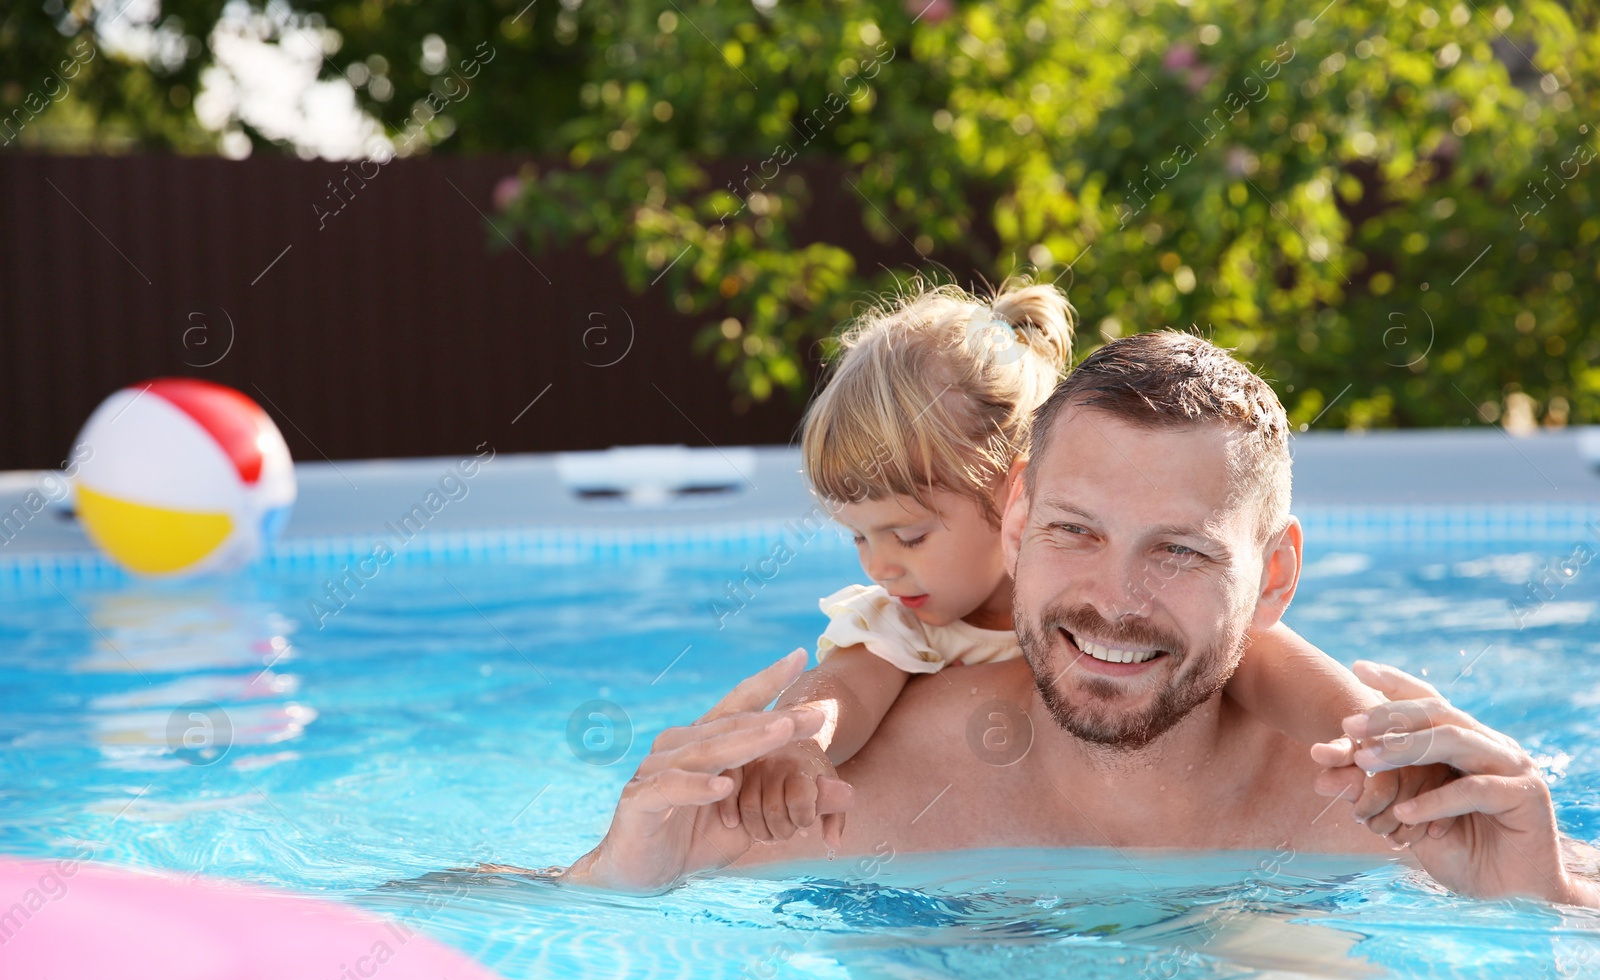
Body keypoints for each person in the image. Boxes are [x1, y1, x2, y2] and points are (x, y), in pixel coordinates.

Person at [559, 330, 1600, 910]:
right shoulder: (853, 798)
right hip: (936, 927)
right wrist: (612, 875)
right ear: (1013, 521)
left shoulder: (1386, 810)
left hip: (1257, 920)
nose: (1116, 597)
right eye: (1073, 531)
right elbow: (427, 919)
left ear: (1274, 575)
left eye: (1179, 549)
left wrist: (1543, 905)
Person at [726, 278, 1417, 853]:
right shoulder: (910, 628)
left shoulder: (1156, 615)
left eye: (907, 535)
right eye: (859, 540)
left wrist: (1376, 737)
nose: (880, 566)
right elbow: (841, 686)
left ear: (1014, 497)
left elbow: (1264, 659)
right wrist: (794, 746)